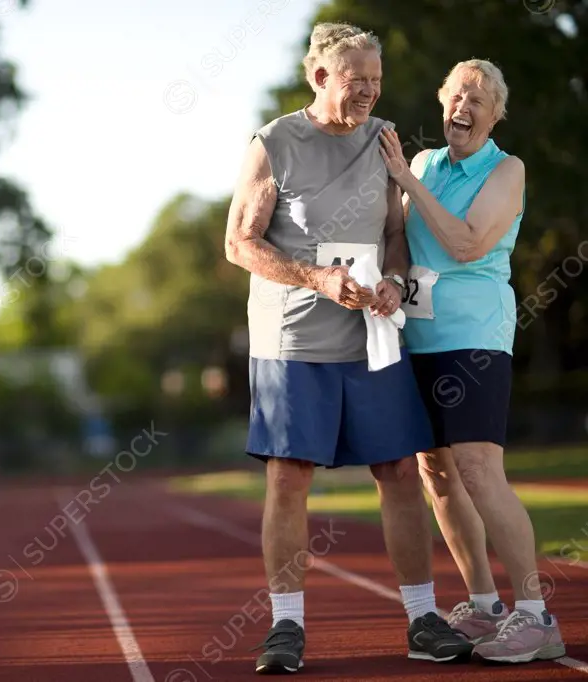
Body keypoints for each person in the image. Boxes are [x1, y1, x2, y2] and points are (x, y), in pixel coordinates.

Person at [224, 22, 473, 675]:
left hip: (374, 333)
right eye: (355, 78)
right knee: (288, 476)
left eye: (376, 79)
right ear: (319, 78)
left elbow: (395, 232)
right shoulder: (274, 142)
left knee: (398, 469)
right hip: (294, 338)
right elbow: (239, 244)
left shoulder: (385, 139)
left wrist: (393, 281)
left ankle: (423, 617)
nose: (367, 90)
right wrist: (316, 278)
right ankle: (285, 628)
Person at [378, 58, 566, 664]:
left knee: (480, 470)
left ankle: (535, 616)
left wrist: (406, 181)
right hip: (419, 338)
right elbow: (403, 241)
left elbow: (465, 243)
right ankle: (484, 604)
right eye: (456, 94)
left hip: (476, 339)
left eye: (478, 98)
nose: (464, 105)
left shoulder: (505, 170)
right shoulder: (430, 164)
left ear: (495, 114)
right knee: (436, 476)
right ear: (443, 103)